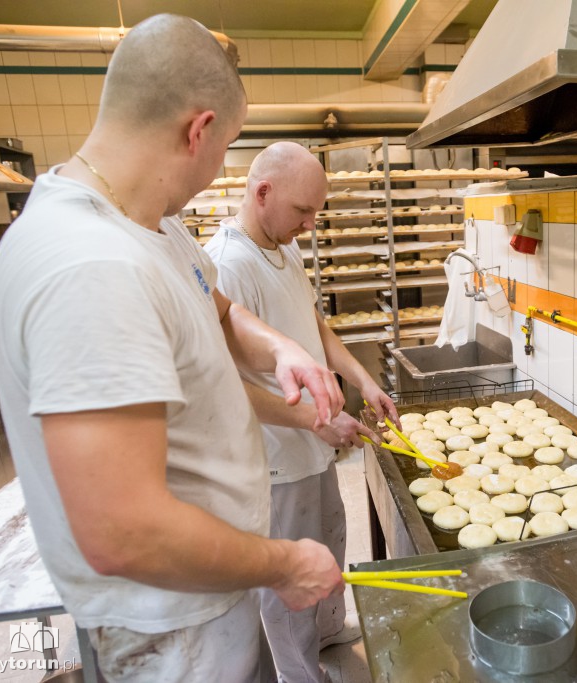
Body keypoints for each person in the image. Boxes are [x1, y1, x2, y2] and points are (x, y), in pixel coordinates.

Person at [0, 15, 346, 683]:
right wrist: (286, 563)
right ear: (198, 129)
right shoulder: (89, 264)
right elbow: (124, 531)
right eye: (227, 146)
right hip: (169, 635)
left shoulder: (153, 228)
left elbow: (222, 310)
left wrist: (280, 352)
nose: (219, 172)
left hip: (208, 602)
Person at [204, 141, 399, 683]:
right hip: (274, 459)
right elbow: (221, 387)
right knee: (290, 578)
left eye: (316, 212)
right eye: (302, 211)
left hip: (313, 444)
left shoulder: (283, 245)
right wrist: (317, 419)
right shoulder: (228, 263)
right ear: (262, 191)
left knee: (330, 539)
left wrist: (362, 382)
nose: (310, 225)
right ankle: (300, 673)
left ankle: (331, 629)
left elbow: (315, 327)